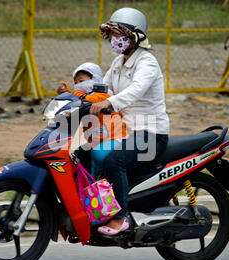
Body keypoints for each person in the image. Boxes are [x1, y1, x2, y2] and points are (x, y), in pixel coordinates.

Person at [90, 8, 170, 235]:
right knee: (87, 149)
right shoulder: (118, 63)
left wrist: (108, 104)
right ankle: (97, 206)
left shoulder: (147, 63)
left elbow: (135, 90)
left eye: (120, 35)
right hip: (126, 132)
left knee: (115, 160)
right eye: (112, 35)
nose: (115, 40)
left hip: (150, 135)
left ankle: (120, 217)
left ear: (135, 37)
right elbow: (102, 89)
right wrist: (78, 96)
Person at [58, 63, 128, 179]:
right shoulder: (84, 97)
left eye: (81, 81)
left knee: (98, 154)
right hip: (98, 140)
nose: (78, 85)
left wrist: (74, 95)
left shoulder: (104, 95)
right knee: (78, 155)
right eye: (76, 83)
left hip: (116, 137)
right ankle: (89, 186)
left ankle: (102, 182)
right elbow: (80, 100)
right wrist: (66, 95)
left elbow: (90, 100)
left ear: (94, 79)